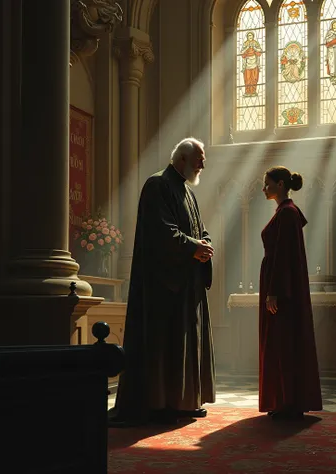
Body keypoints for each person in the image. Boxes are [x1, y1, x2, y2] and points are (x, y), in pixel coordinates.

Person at [109, 137, 216, 427]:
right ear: (182, 159)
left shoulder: (187, 191)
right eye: (200, 159)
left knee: (187, 345)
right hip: (164, 286)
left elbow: (199, 229)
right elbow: (161, 233)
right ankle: (161, 404)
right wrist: (194, 246)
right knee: (166, 346)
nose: (203, 164)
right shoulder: (157, 185)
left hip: (187, 283)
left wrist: (204, 243)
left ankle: (185, 401)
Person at [259, 166, 322, 420]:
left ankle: (287, 402)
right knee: (281, 343)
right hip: (280, 286)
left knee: (283, 342)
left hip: (281, 291)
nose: (264, 188)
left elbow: (283, 257)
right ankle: (284, 400)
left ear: (282, 184)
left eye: (267, 184)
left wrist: (274, 292)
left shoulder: (287, 214)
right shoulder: (286, 212)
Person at [240, 31, 262, 96]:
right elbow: (242, 52)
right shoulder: (245, 43)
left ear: (253, 36)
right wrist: (247, 48)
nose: (250, 37)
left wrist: (254, 48)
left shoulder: (255, 43)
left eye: (251, 35)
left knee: (254, 78)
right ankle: (247, 92)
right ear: (247, 37)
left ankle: (253, 91)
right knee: (247, 78)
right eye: (249, 36)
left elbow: (260, 50)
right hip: (247, 64)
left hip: (254, 63)